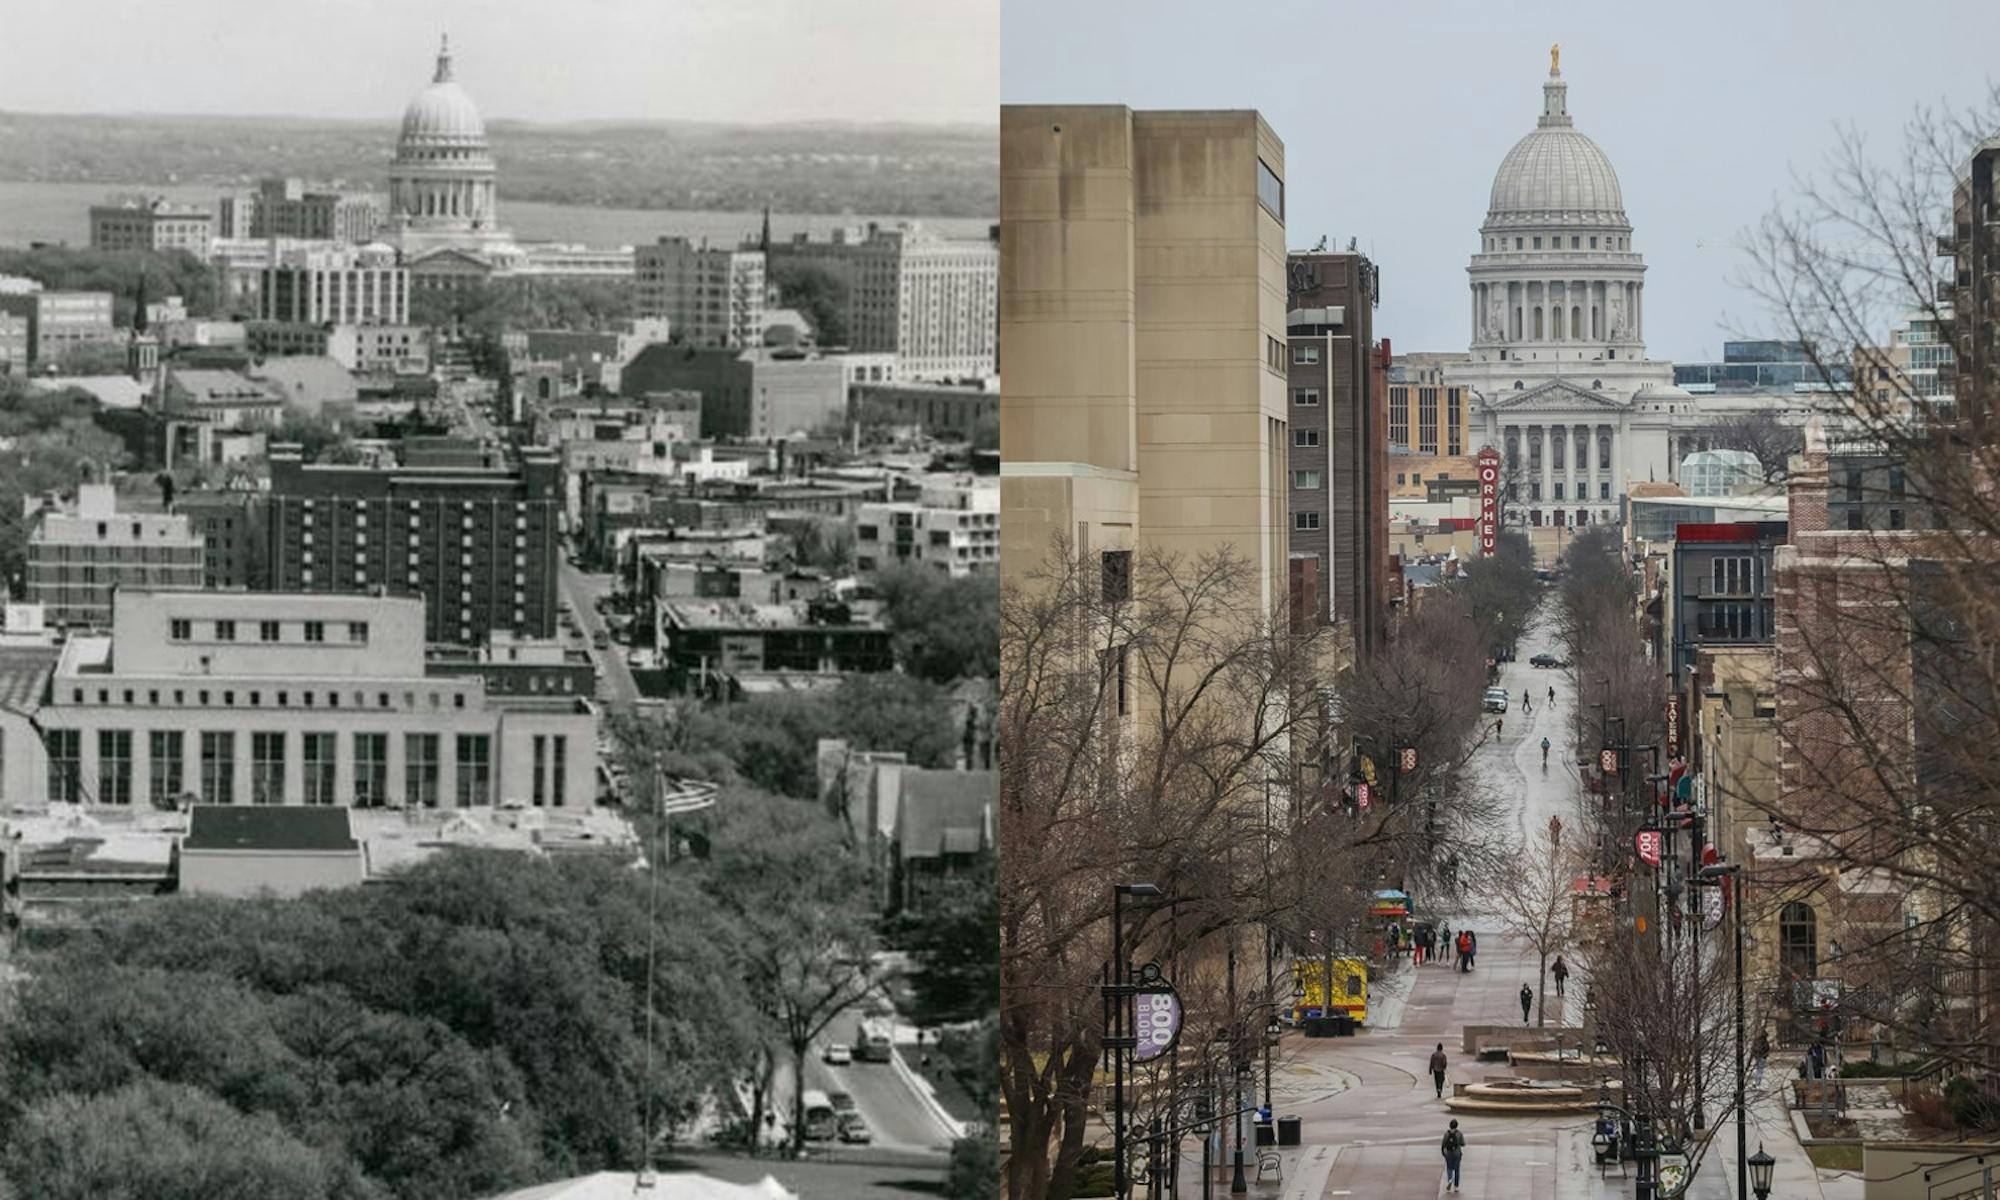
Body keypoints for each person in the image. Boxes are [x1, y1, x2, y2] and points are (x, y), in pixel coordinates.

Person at [1441, 1119, 1466, 1191]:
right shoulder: (1459, 1133)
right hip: (1457, 1153)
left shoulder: (1446, 1133)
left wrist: (1443, 1152)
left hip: (1448, 1153)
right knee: (1457, 1169)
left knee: (1449, 1167)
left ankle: (1449, 1179)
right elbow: (1463, 1143)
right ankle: (1456, 1186)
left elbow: (1443, 1143)